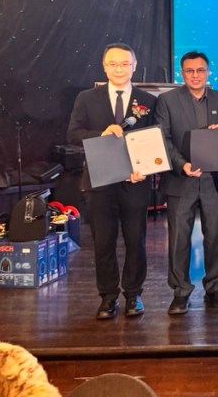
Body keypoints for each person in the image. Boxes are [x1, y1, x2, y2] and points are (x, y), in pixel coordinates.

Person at [67, 43, 157, 319]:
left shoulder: (148, 100)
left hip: (135, 182)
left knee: (135, 241)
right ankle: (107, 297)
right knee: (103, 242)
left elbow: (155, 138)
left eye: (125, 64)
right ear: (104, 67)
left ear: (134, 66)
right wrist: (101, 134)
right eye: (113, 64)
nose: (119, 69)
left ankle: (133, 294)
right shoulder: (87, 98)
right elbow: (73, 134)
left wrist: (145, 168)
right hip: (100, 181)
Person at [154, 51, 218, 315]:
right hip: (181, 180)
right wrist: (182, 164)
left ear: (208, 71)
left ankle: (215, 288)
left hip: (215, 181)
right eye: (189, 71)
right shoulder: (167, 101)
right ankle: (180, 292)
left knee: (215, 237)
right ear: (182, 73)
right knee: (179, 239)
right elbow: (162, 138)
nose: (195, 75)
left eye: (200, 70)